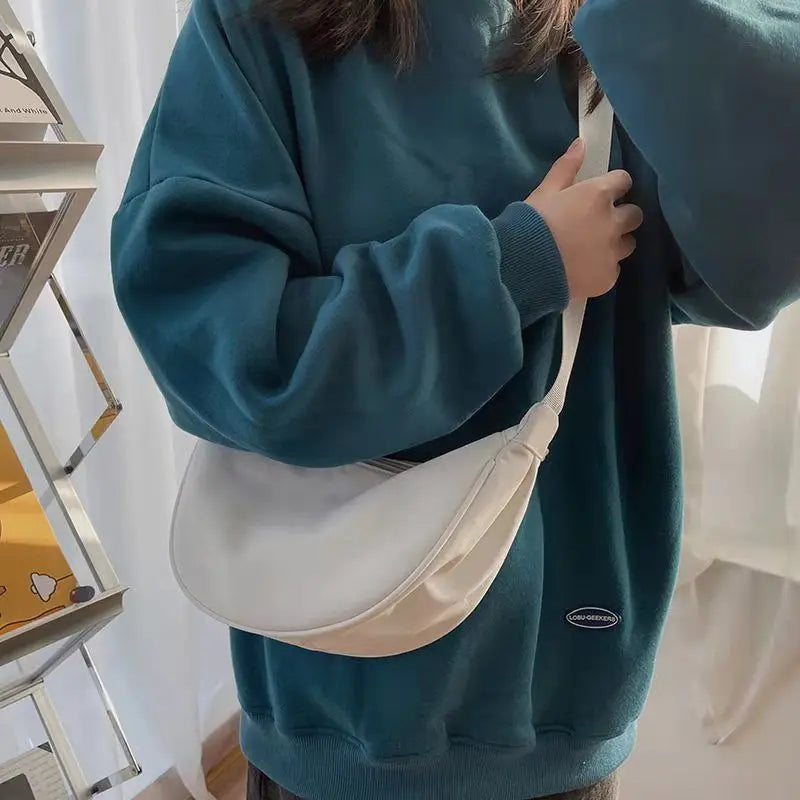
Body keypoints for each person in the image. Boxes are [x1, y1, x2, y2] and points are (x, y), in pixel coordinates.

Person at [110, 0, 800, 797]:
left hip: (566, 717)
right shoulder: (261, 24)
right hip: (339, 717)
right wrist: (515, 268)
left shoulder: (615, 29)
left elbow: (757, 253)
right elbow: (226, 353)